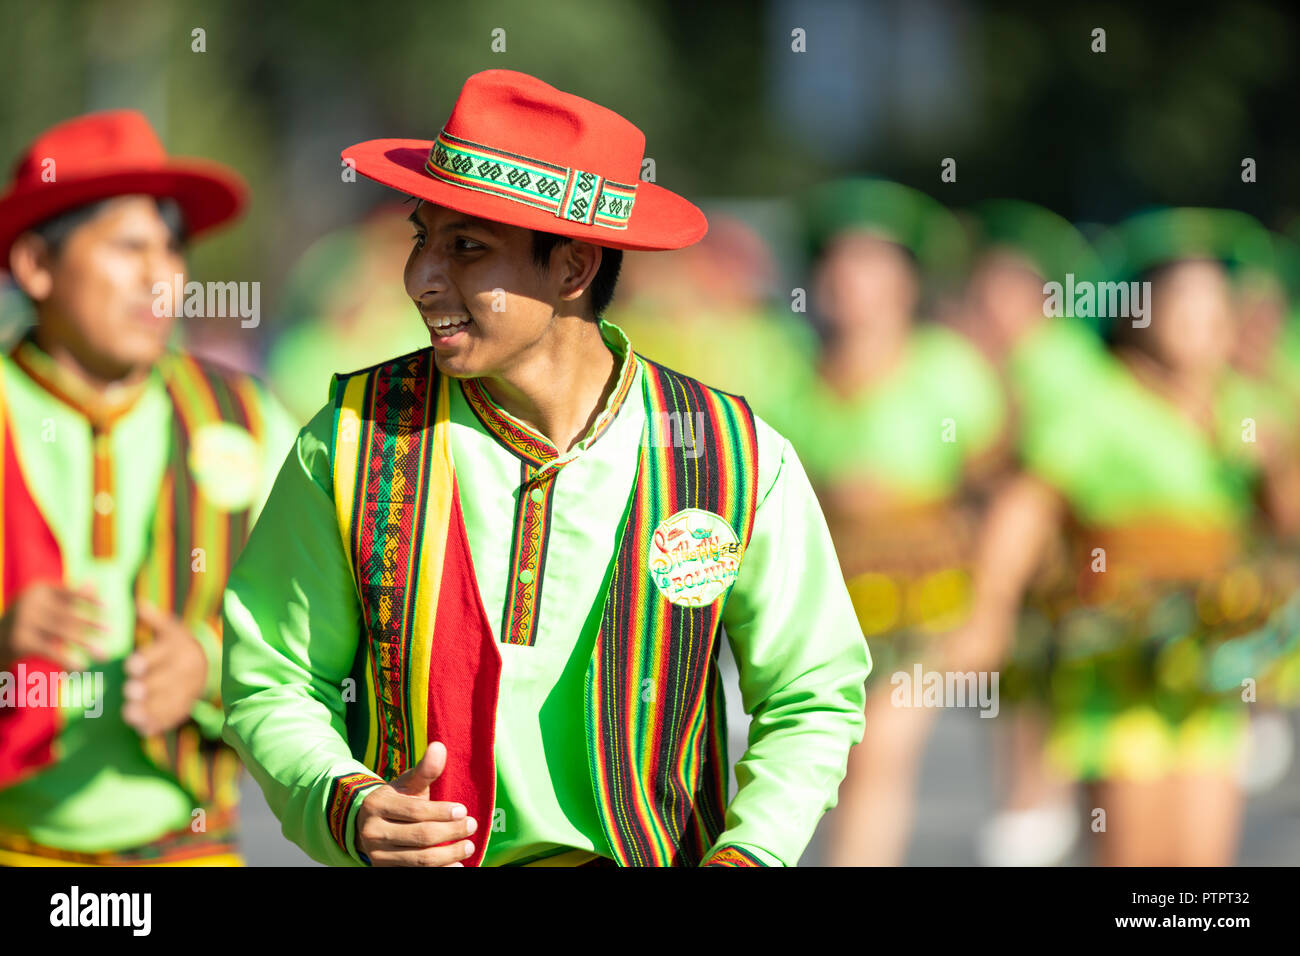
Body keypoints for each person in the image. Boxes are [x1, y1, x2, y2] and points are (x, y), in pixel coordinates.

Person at [220, 69, 872, 868]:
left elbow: (811, 696)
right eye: (422, 237)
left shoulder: (732, 456)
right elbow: (272, 675)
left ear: (572, 269)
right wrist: (341, 800)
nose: (422, 276)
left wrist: (753, 852)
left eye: (465, 248)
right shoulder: (354, 440)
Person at [956, 207, 1300, 865]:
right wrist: (990, 610)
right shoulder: (1098, 400)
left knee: (1204, 865)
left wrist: (1277, 462)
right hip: (1115, 661)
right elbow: (1026, 508)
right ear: (1136, 311)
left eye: (1215, 299)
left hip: (1209, 670)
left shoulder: (1244, 406)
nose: (1204, 315)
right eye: (1182, 298)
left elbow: (1286, 524)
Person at [0, 109, 298, 865]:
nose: (162, 274)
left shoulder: (248, 417)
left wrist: (208, 664)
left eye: (174, 247)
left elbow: (326, 625)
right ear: (35, 265)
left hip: (189, 844)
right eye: (129, 246)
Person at [774, 179, 1006, 866]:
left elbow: (1005, 492)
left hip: (925, 609)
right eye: (836, 262)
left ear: (907, 281)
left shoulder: (950, 371)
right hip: (823, 608)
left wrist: (990, 607)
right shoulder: (790, 373)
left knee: (874, 755)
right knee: (822, 762)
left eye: (872, 263)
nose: (848, 280)